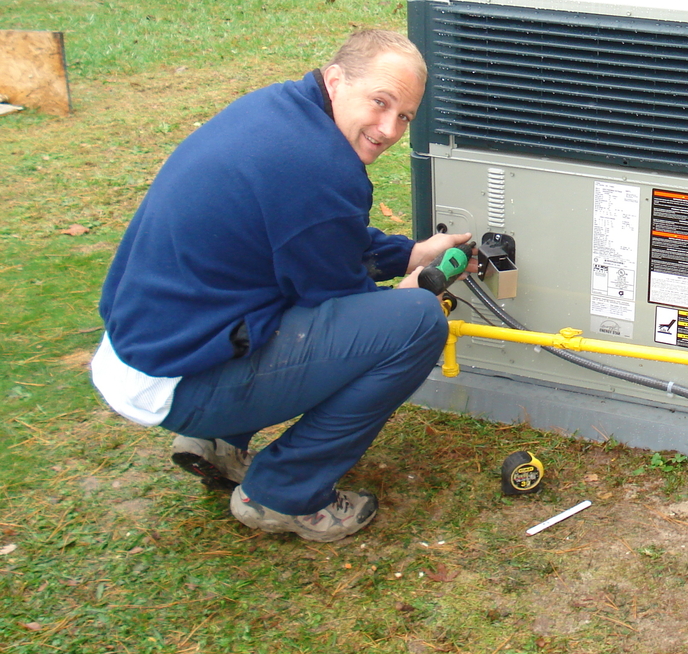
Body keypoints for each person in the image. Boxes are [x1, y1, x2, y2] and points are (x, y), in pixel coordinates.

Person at [91, 28, 470, 542]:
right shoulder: (321, 167)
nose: (389, 129)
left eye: (404, 115)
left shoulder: (283, 111)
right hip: (172, 376)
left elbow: (315, 235)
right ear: (336, 80)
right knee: (418, 323)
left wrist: (407, 253)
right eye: (380, 103)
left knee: (326, 304)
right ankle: (283, 494)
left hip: (146, 346)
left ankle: (217, 441)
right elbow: (340, 305)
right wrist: (409, 296)